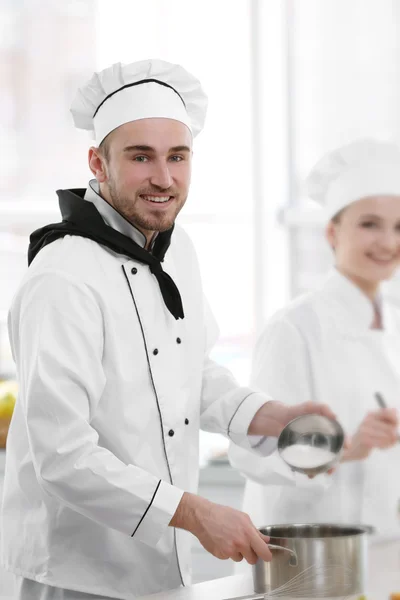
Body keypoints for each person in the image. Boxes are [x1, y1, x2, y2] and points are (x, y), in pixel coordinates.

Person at [0, 59, 333, 600]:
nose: (164, 178)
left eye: (177, 157)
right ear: (97, 162)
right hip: (74, 572)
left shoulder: (179, 252)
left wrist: (271, 416)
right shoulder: (63, 276)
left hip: (161, 565)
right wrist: (193, 512)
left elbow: (187, 370)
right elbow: (61, 453)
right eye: (141, 157)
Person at [229, 138, 400, 550]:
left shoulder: (393, 320)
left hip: (384, 548)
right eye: (369, 224)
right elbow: (251, 452)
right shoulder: (295, 328)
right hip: (307, 554)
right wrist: (344, 448)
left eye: (399, 227)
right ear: (332, 232)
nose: (388, 242)